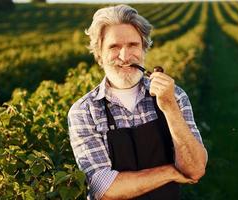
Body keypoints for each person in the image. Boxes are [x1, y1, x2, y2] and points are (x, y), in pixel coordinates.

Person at [68, 4, 208, 200]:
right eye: (114, 47)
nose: (125, 57)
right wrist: (170, 172)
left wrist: (170, 108)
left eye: (133, 45)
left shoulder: (174, 95)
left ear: (144, 48)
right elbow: (104, 188)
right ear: (99, 55)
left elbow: (195, 169)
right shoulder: (85, 111)